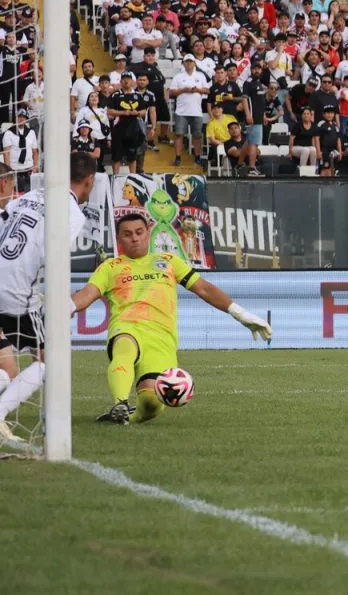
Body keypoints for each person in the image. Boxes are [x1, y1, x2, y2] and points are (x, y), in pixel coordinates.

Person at [71, 213, 271, 425]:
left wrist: (239, 313)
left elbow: (203, 288)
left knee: (151, 405)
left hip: (161, 339)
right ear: (119, 239)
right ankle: (119, 402)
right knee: (124, 348)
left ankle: (126, 416)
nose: (135, 238)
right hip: (128, 327)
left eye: (139, 232)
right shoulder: (110, 267)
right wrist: (61, 308)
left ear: (148, 233)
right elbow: (87, 294)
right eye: (127, 234)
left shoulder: (168, 262)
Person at [0, 153, 94, 443]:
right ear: (89, 181)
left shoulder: (27, 195)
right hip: (17, 292)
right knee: (49, 360)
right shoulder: (71, 212)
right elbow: (52, 256)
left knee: (9, 372)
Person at [168, 54, 210, 167]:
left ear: (194, 63)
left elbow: (207, 90)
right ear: (183, 63)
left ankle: (197, 157)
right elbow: (171, 92)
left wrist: (197, 90)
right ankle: (178, 157)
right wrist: (184, 90)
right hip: (181, 111)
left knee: (197, 135)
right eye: (186, 61)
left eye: (191, 61)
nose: (189, 63)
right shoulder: (178, 76)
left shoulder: (200, 76)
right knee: (179, 135)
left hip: (196, 111)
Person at [1, 109, 37, 192]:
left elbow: (35, 151)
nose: (21, 119)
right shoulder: (9, 133)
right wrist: (9, 171)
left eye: (24, 117)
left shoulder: (31, 132)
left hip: (29, 170)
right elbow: (6, 153)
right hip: (15, 171)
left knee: (29, 195)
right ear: (15, 118)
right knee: (17, 196)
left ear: (26, 119)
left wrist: (36, 166)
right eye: (19, 117)